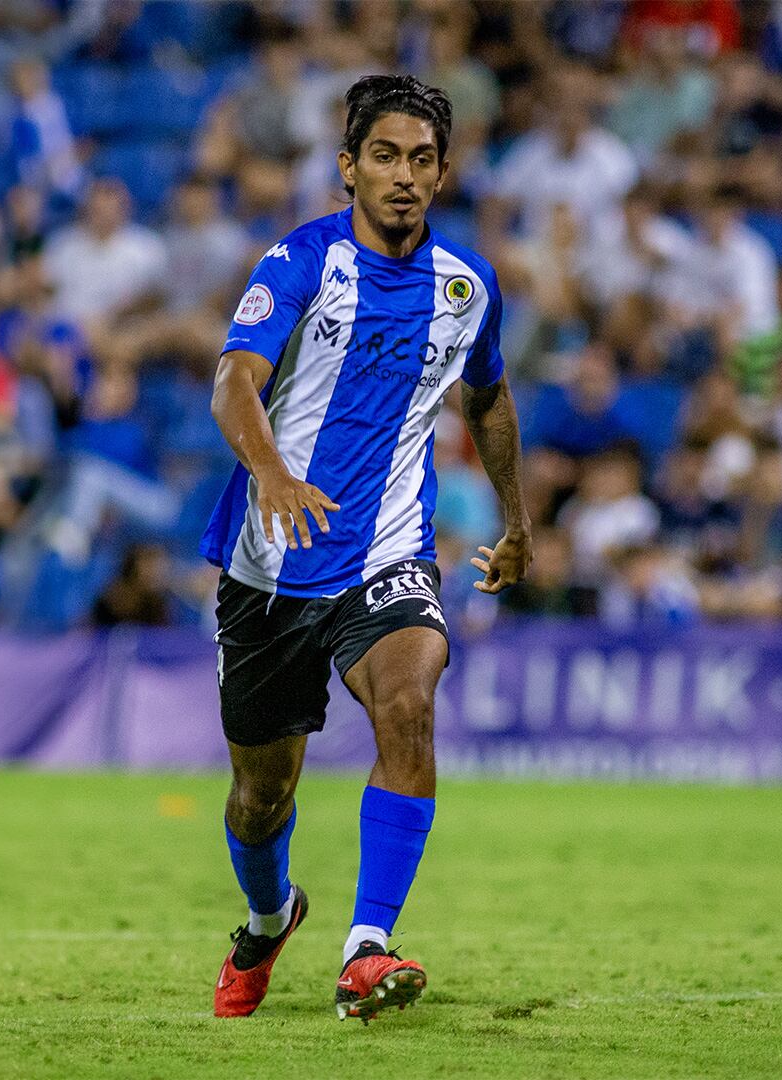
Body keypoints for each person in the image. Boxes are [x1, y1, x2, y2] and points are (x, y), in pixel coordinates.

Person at [200, 75, 531, 1024]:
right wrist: (271, 473)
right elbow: (233, 383)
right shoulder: (301, 261)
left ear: (442, 174)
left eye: (422, 160)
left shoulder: (467, 288)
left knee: (409, 697)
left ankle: (366, 946)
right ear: (348, 167)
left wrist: (516, 520)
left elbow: (491, 396)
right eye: (384, 156)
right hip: (269, 564)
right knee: (261, 798)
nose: (403, 176)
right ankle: (269, 920)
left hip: (389, 550)